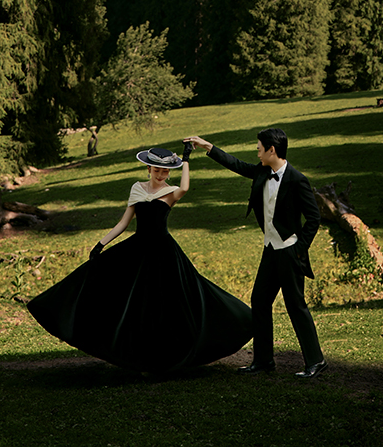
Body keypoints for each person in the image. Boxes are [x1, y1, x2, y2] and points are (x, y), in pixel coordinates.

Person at [27, 142, 252, 373]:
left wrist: (185, 159)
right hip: (138, 250)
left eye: (165, 171)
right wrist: (101, 244)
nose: (161, 175)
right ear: (148, 169)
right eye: (157, 170)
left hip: (164, 254)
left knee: (178, 301)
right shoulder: (137, 189)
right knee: (128, 300)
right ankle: (135, 355)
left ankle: (172, 354)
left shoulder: (170, 192)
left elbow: (185, 187)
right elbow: (124, 223)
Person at [189, 127, 327, 379]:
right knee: (260, 301)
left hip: (289, 253)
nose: (257, 153)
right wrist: (208, 147)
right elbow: (236, 164)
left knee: (295, 305)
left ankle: (316, 360)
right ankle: (264, 361)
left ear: (271, 150)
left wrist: (299, 248)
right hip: (270, 250)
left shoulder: (297, 180)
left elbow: (314, 218)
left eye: (259, 148)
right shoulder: (262, 172)